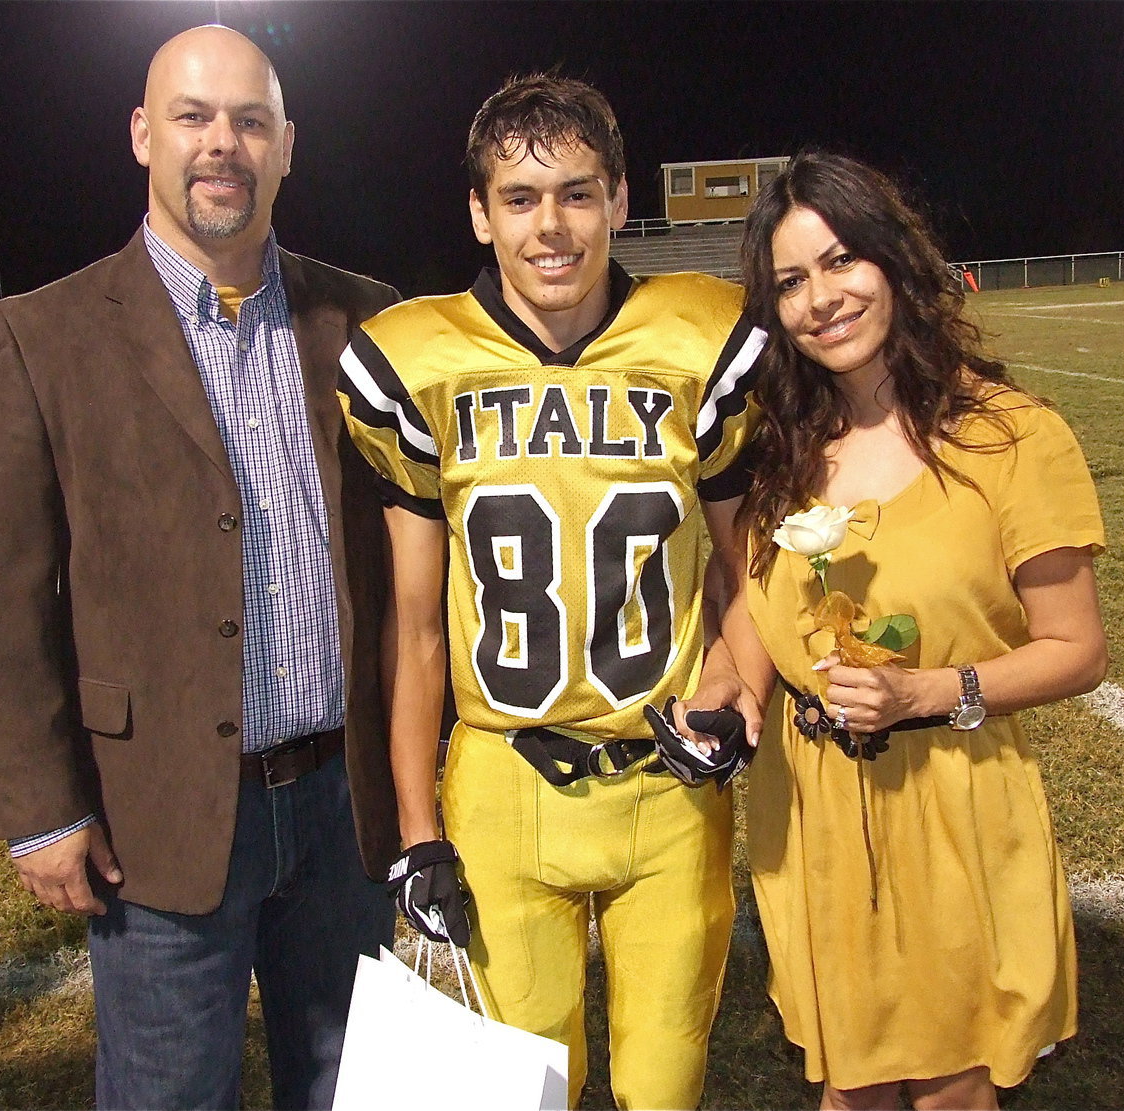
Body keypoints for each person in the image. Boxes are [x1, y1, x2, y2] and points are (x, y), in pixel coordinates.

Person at [0, 25, 399, 1111]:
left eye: (250, 120)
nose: (222, 144)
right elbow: (2, 601)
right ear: (143, 134)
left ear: (287, 144)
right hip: (158, 811)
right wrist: (43, 809)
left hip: (343, 802)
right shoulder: (43, 333)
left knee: (348, 1088)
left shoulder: (368, 318)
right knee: (169, 1095)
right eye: (193, 117)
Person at [337, 73, 765, 1109]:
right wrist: (417, 829)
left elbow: (747, 571)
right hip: (501, 782)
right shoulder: (419, 361)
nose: (552, 226)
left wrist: (735, 685)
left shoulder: (699, 336)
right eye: (521, 198)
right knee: (525, 1090)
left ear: (619, 199)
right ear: (479, 214)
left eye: (577, 193)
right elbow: (416, 629)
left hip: (668, 782)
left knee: (665, 1085)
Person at [709, 151, 1107, 1110]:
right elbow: (757, 606)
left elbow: (1078, 648)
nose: (821, 300)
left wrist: (932, 690)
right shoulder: (784, 447)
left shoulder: (1009, 435)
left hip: (950, 802)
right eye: (790, 282)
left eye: (841, 260)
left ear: (892, 259)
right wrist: (731, 686)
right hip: (811, 812)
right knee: (850, 1088)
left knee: (951, 1089)